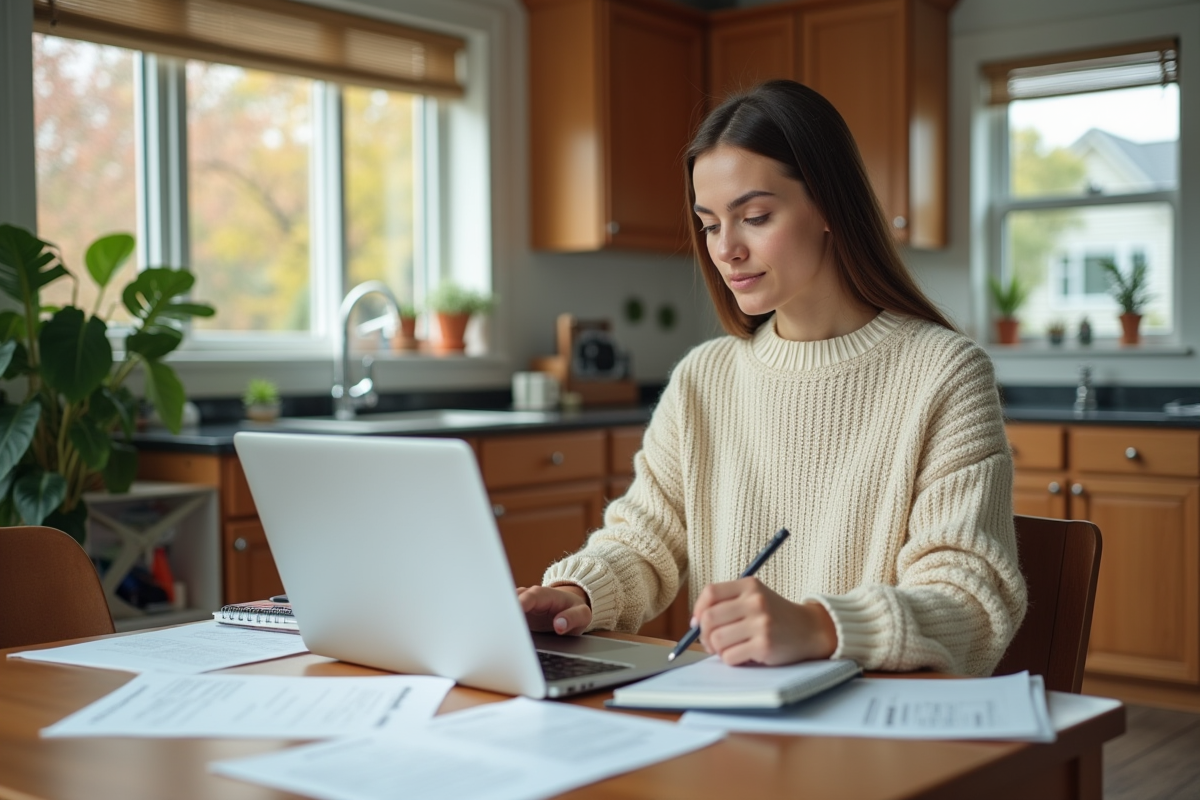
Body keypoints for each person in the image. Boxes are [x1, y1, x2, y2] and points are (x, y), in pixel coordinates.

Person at [518, 80, 1027, 676]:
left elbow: (972, 598)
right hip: (731, 718)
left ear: (831, 206)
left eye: (754, 216)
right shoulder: (702, 381)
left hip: (876, 727)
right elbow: (644, 542)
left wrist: (820, 627)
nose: (726, 248)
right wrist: (578, 596)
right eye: (708, 224)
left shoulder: (944, 374)